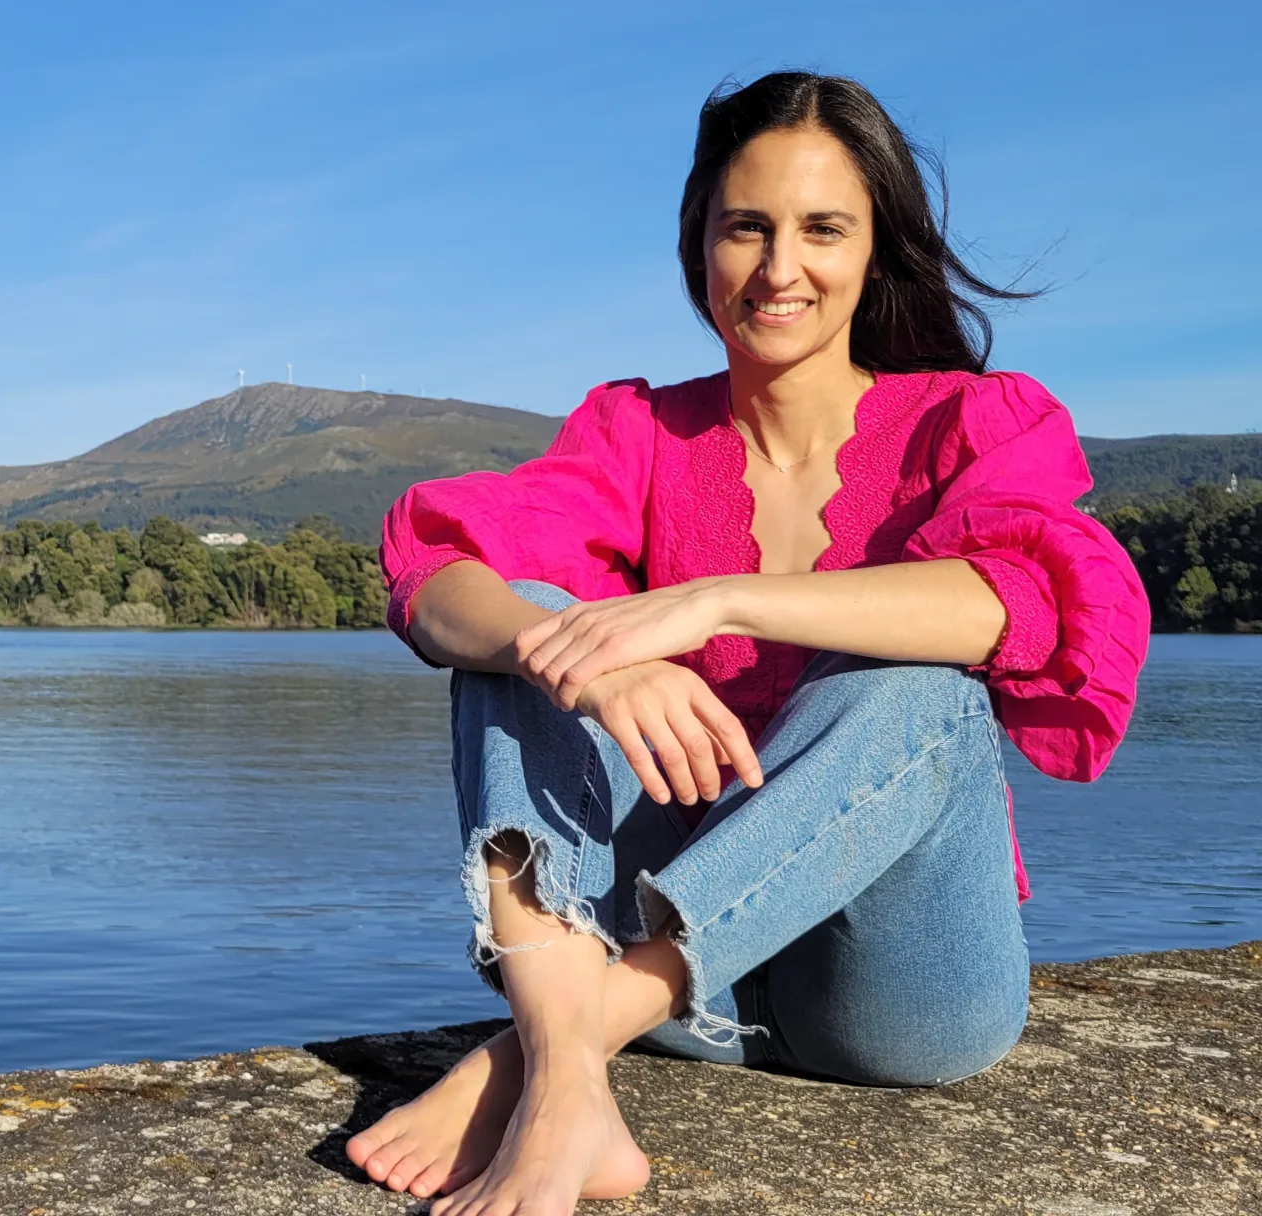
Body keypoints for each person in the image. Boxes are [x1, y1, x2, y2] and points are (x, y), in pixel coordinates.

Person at [344, 71, 1150, 1216]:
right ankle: (574, 1078)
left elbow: (1027, 601)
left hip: (895, 999)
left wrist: (719, 601)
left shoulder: (969, 423)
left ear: (877, 249)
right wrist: (585, 656)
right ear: (701, 244)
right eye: (746, 228)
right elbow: (436, 577)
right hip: (692, 1002)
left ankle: (547, 1056)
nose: (780, 268)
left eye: (823, 228)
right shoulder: (637, 433)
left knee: (920, 690)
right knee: (528, 633)